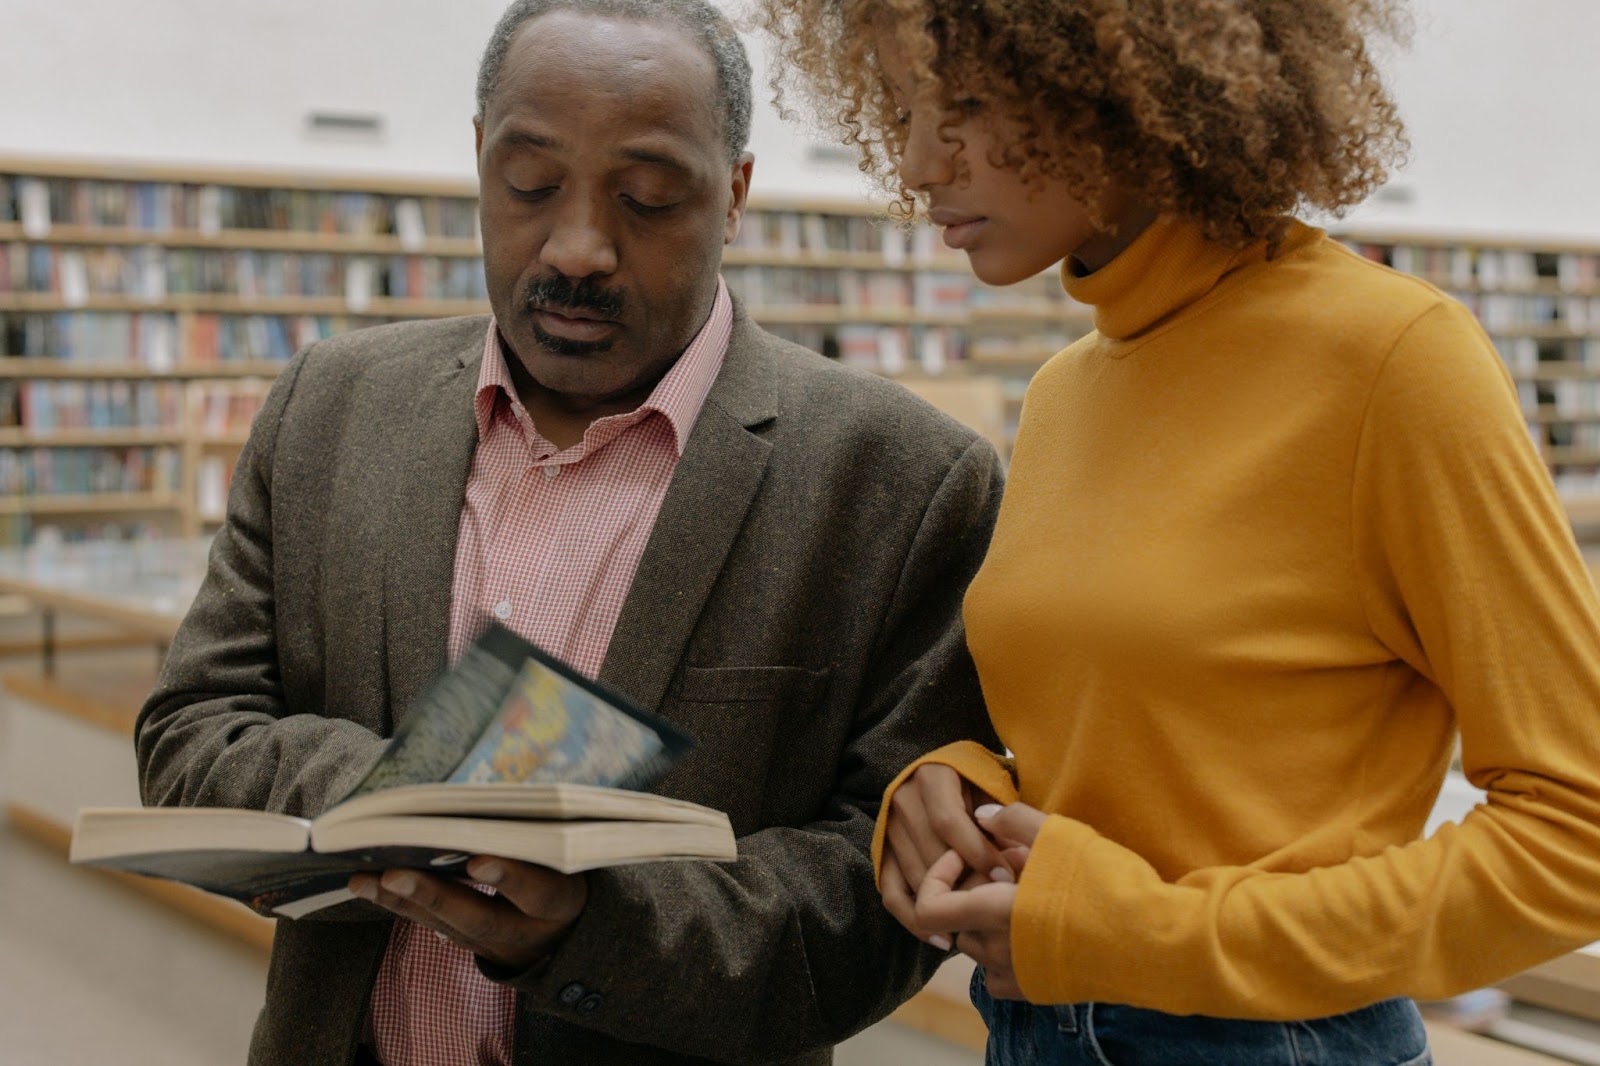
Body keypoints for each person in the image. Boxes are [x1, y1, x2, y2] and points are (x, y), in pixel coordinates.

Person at [135, 2, 1004, 1064]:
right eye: (530, 184)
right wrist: (397, 803)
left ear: (733, 193)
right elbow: (190, 730)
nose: (580, 247)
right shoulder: (331, 407)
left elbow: (878, 902)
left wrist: (591, 920)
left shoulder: (899, 483)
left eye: (647, 198)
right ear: (477, 158)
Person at [755, 1, 1600, 1062]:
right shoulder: (1065, 391)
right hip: (1030, 1025)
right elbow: (1133, 730)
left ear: (1124, 85)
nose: (920, 161)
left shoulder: (1394, 360)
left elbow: (1580, 836)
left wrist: (1154, 938)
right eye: (901, 110)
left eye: (963, 106)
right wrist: (958, 785)